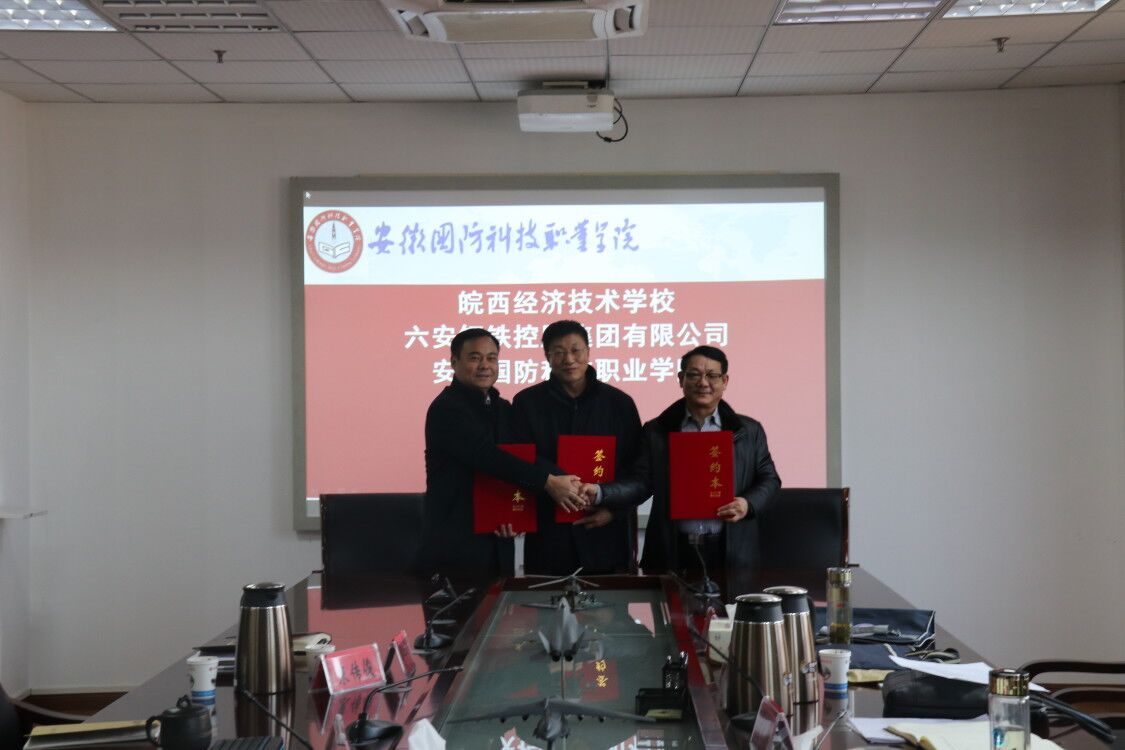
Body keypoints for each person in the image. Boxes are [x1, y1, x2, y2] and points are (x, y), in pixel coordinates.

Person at [586, 346, 781, 576]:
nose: (703, 382)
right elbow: (641, 482)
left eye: (712, 375)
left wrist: (748, 504)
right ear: (681, 379)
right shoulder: (657, 431)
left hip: (731, 551)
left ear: (725, 381)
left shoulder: (748, 431)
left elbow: (769, 479)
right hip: (673, 550)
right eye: (694, 374)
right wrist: (601, 492)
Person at [420, 328, 583, 579]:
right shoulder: (447, 408)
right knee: (463, 605)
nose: (485, 365)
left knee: (499, 601)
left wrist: (569, 481)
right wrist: (549, 482)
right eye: (475, 358)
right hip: (455, 543)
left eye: (492, 358)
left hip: (498, 535)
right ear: (454, 362)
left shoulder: (502, 408)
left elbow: (522, 455)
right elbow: (486, 456)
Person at [512, 321, 642, 575]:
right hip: (549, 535)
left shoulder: (619, 403)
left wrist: (615, 510)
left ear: (588, 352)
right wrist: (549, 481)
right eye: (559, 352)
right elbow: (519, 459)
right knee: (545, 598)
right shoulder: (527, 403)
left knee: (610, 600)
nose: (568, 359)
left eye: (575, 350)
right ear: (547, 356)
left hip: (606, 535)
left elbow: (638, 469)